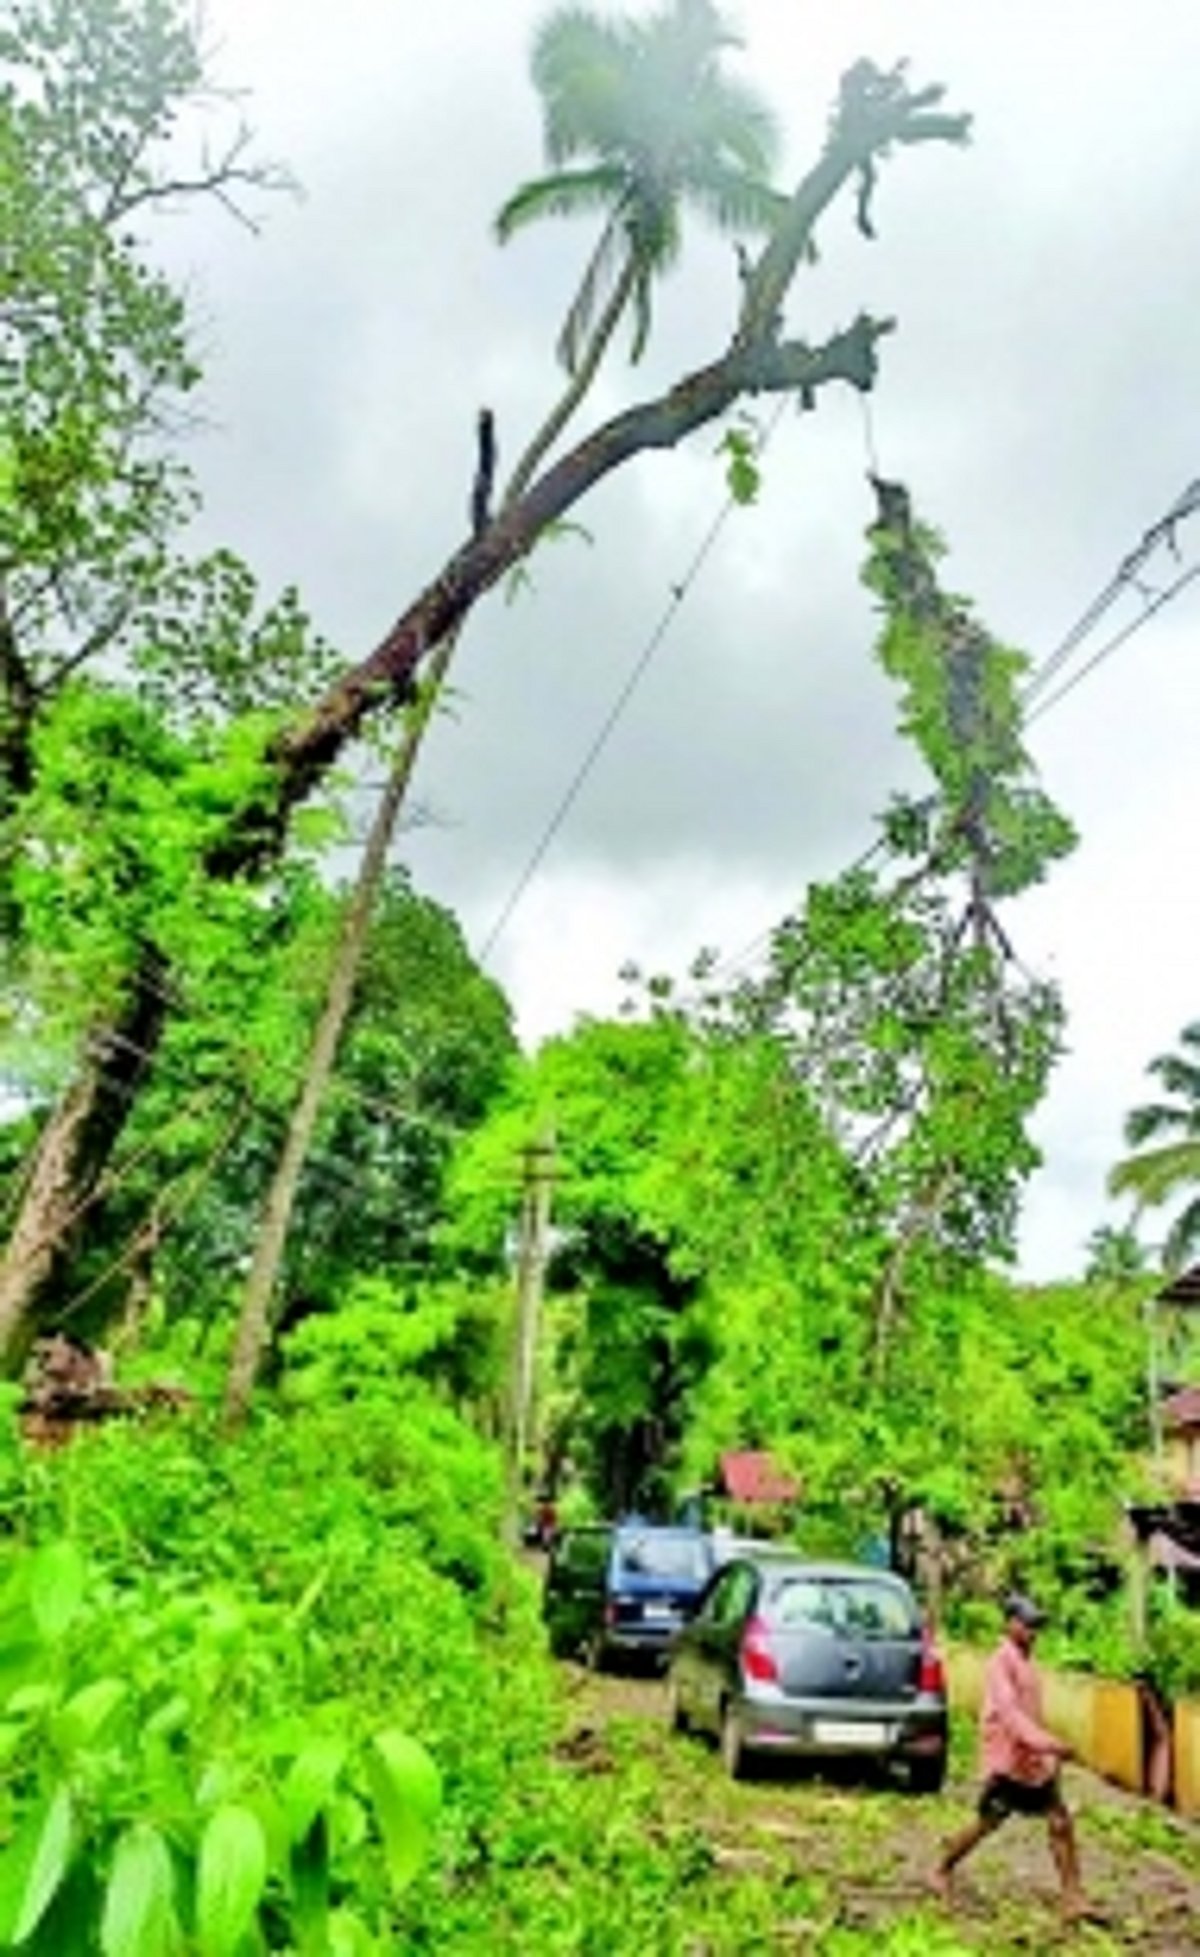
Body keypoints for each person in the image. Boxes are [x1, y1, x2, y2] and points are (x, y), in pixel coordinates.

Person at [932, 1592, 1093, 1924]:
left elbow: (1033, 1713)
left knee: (1060, 1822)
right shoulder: (999, 1663)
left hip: (1034, 1763)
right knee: (987, 1823)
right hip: (1008, 1763)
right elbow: (1010, 1716)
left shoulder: (1028, 1664)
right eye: (1027, 1624)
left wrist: (1046, 1752)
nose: (1033, 1631)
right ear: (1009, 1624)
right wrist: (1048, 1743)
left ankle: (1073, 1897)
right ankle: (942, 1867)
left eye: (1036, 1625)